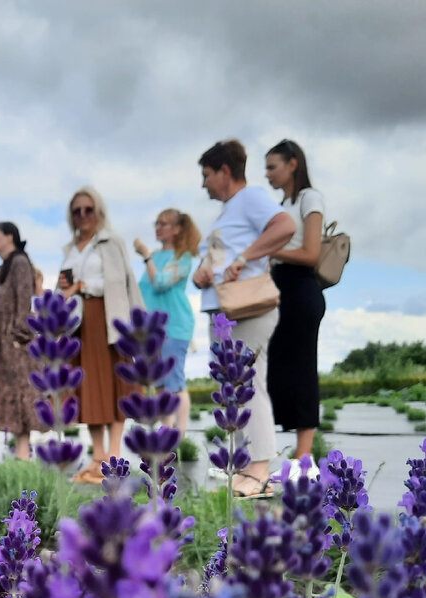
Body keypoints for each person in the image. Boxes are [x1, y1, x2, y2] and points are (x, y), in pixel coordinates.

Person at [192, 139, 296, 498]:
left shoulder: (249, 199)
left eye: (206, 175)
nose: (204, 183)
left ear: (224, 171)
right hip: (224, 309)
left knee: (246, 384)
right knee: (237, 387)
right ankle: (251, 466)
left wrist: (243, 260)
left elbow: (284, 226)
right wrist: (204, 273)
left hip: (246, 308)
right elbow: (221, 256)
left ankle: (259, 471)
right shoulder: (228, 212)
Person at [58, 186, 145, 483]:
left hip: (109, 317)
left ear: (99, 211)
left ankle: (115, 457)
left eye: (88, 209)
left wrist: (139, 325)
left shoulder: (111, 242)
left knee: (115, 385)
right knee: (89, 390)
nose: (83, 216)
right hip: (77, 323)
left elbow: (125, 281)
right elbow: (65, 287)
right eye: (77, 211)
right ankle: (97, 458)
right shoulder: (69, 250)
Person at [265, 139, 327, 469]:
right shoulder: (281, 204)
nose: (267, 174)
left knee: (302, 369)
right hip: (278, 289)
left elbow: (311, 253)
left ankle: (305, 456)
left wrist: (269, 252)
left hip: (301, 286)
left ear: (292, 164)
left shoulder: (309, 198)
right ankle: (280, 451)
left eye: (272, 167)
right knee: (275, 370)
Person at [133, 209, 201, 437]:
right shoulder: (155, 256)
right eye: (157, 223)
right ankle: (166, 431)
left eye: (164, 224)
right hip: (151, 330)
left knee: (174, 380)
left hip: (175, 326)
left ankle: (179, 434)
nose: (158, 227)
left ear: (177, 229)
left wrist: (145, 257)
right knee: (160, 382)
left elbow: (161, 282)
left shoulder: (183, 257)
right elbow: (145, 290)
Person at [0, 222, 39, 460]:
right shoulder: (3, 267)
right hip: (2, 342)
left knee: (21, 392)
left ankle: (23, 453)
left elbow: (24, 298)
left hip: (16, 342)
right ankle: (20, 453)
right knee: (10, 394)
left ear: (9, 236)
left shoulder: (19, 262)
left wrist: (20, 335)